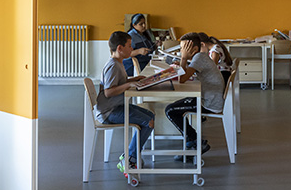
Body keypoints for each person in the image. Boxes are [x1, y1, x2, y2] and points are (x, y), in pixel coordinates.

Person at [95, 31, 156, 175]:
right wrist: (128, 85)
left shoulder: (118, 63)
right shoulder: (113, 66)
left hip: (115, 107)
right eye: (129, 46)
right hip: (110, 112)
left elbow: (119, 82)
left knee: (150, 116)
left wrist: (133, 79)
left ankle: (130, 155)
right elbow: (108, 92)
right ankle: (130, 158)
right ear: (120, 48)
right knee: (148, 122)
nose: (132, 48)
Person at [165, 32, 225, 161]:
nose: (181, 51)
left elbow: (182, 79)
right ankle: (192, 141)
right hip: (210, 98)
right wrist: (184, 62)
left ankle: (195, 142)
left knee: (170, 110)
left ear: (194, 49)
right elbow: (187, 74)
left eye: (184, 48)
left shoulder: (199, 58)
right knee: (176, 107)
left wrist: (183, 59)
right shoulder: (200, 57)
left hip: (209, 103)